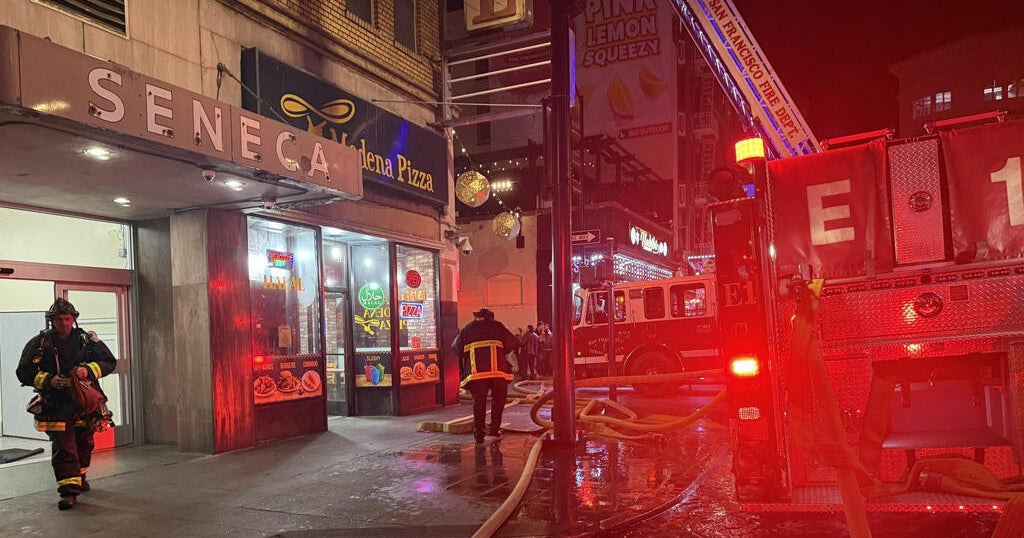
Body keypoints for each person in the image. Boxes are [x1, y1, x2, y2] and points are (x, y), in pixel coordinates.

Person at [16, 298, 117, 510]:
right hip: (57, 405)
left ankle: (79, 478)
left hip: (85, 403)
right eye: (59, 319)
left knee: (85, 442)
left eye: (67, 319)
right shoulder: (40, 343)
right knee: (64, 447)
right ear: (52, 320)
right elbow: (23, 371)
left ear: (74, 319)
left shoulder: (86, 340)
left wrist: (88, 370)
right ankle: (68, 493)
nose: (63, 323)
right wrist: (48, 380)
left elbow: (109, 361)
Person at [451, 308, 519, 444]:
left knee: (479, 403)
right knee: (498, 401)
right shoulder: (497, 326)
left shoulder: (467, 329)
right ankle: (494, 430)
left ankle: (479, 435)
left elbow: (455, 347)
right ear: (490, 317)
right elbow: (512, 343)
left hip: (476, 374)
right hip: (498, 373)